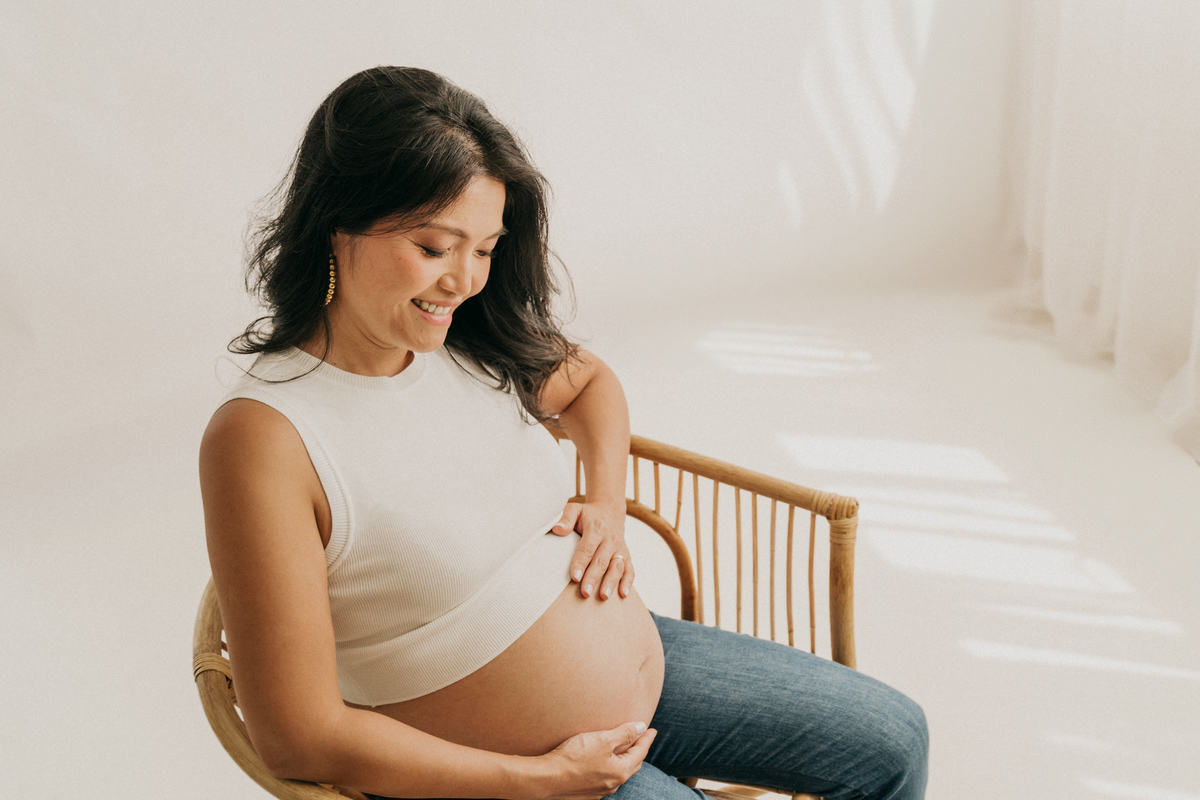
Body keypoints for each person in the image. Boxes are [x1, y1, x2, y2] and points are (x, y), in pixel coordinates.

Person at [199, 66, 928, 800]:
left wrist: (606, 501)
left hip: (649, 678)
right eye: (434, 247)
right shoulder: (269, 436)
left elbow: (590, 383)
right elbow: (297, 733)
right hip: (505, 774)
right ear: (337, 224)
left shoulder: (461, 341)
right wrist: (535, 780)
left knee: (896, 741)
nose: (464, 281)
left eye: (484, 249)